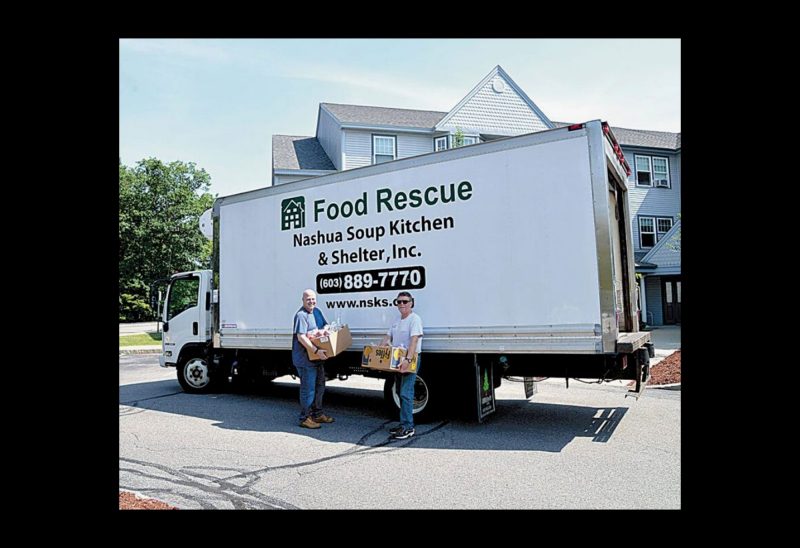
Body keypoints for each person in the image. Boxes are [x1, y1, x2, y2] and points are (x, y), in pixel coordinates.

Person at [379, 291, 423, 440]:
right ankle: (403, 423)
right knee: (398, 391)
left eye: (405, 301)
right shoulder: (397, 321)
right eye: (399, 302)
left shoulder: (414, 319)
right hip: (397, 360)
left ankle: (408, 427)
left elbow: (414, 340)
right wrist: (380, 349)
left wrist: (408, 360)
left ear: (411, 303)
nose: (402, 304)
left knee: (405, 393)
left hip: (410, 360)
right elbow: (387, 336)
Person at [292, 289, 335, 429]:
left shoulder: (316, 311)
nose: (311, 302)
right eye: (308, 299)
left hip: (317, 358)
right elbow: (301, 337)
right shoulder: (301, 315)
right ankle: (305, 418)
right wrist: (316, 350)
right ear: (303, 300)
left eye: (313, 299)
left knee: (320, 386)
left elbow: (324, 325)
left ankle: (317, 414)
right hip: (305, 359)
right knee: (308, 390)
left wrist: (326, 330)